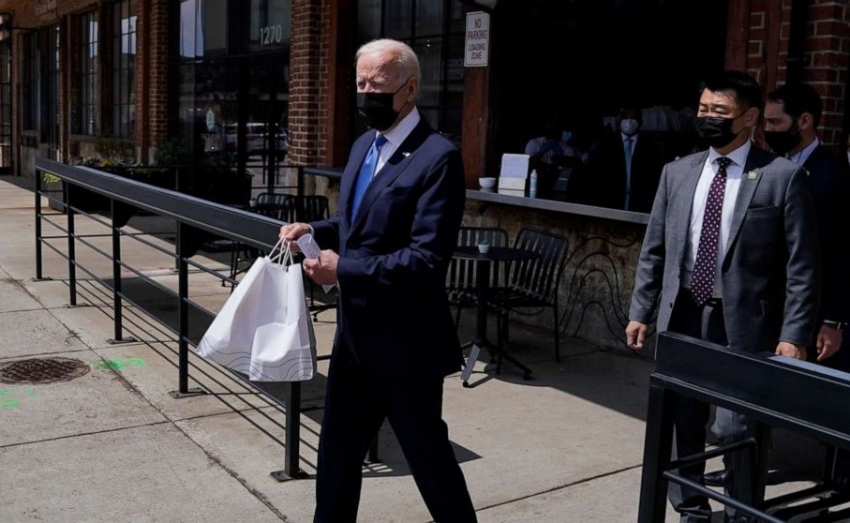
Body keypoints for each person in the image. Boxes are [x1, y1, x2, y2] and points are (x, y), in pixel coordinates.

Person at [278, 39, 477, 523]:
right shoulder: (363, 145)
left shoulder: (438, 158)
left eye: (378, 84)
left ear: (409, 90)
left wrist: (340, 269)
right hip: (355, 339)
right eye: (361, 82)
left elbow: (426, 259)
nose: (367, 92)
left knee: (428, 458)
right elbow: (355, 223)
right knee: (338, 454)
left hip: (407, 345)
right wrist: (314, 230)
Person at [625, 71, 821, 523]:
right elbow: (655, 250)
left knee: (738, 427)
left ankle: (741, 514)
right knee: (682, 423)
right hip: (685, 316)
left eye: (720, 112)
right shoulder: (677, 172)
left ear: (750, 117)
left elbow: (802, 267)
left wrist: (793, 335)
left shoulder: (782, 178)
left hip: (746, 324)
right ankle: (691, 509)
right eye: (703, 109)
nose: (708, 119)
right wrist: (642, 311)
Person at [762, 82, 850, 487]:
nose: (768, 129)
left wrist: (833, 318)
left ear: (805, 121)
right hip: (770, 305)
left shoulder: (834, 177)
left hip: (817, 311)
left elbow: (841, 255)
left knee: (827, 403)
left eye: (775, 122)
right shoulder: (765, 168)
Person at [579, 104, 667, 212]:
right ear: (620, 120)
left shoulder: (649, 147)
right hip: (610, 203)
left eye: (633, 118)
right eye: (626, 118)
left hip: (638, 205)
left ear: (640, 122)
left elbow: (653, 178)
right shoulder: (606, 144)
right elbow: (596, 174)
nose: (629, 121)